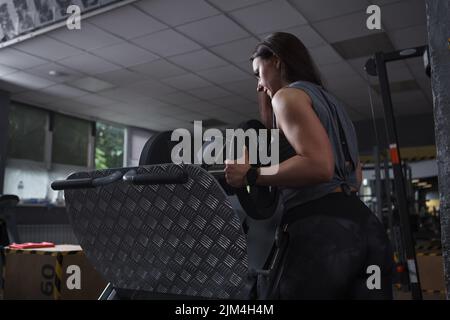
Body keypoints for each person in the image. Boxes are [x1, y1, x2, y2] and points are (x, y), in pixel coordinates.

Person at [224, 32, 393, 299]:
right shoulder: (331, 103)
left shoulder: (287, 97)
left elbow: (319, 166)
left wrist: (251, 175)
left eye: (258, 72)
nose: (258, 84)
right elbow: (354, 177)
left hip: (322, 232)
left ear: (277, 61)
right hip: (365, 227)